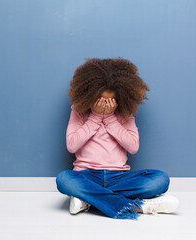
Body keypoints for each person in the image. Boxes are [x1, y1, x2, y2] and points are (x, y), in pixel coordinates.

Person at [55, 57, 180, 220]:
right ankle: (141, 206)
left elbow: (133, 147)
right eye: (100, 100)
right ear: (90, 95)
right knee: (64, 179)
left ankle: (88, 200)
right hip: (86, 175)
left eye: (110, 101)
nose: (105, 104)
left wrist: (109, 119)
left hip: (119, 177)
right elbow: (72, 146)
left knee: (160, 180)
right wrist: (95, 117)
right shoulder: (78, 111)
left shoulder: (124, 114)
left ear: (119, 98)